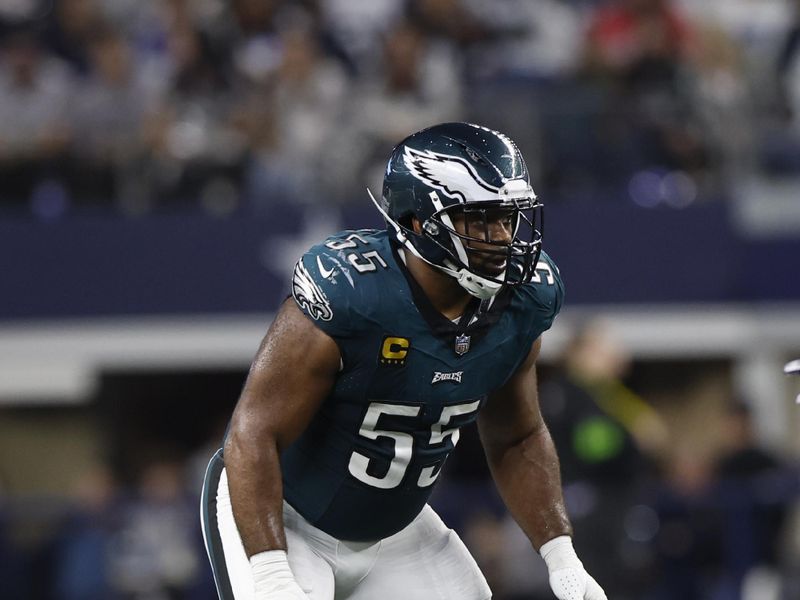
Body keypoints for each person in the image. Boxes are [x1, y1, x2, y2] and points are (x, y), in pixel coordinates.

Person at [200, 122, 607, 600]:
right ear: (418, 222)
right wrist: (271, 572)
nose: (501, 237)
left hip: (396, 534)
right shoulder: (355, 295)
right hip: (287, 522)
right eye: (479, 220)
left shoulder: (522, 301)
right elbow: (252, 436)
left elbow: (517, 436)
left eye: (508, 218)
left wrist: (561, 558)